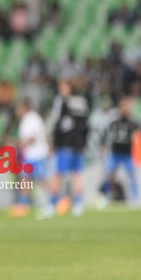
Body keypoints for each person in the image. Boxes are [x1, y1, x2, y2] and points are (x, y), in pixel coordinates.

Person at [45, 79, 91, 217]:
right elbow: (86, 125)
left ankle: (52, 204)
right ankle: (77, 204)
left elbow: (55, 122)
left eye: (63, 86)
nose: (61, 89)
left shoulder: (61, 101)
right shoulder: (82, 101)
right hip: (77, 144)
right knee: (76, 174)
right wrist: (83, 143)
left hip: (66, 144)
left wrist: (52, 141)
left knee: (59, 174)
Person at [99, 96, 141, 207]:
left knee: (131, 175)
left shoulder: (133, 121)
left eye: (128, 106)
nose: (126, 109)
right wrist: (103, 144)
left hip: (127, 154)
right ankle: (107, 195)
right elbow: (104, 131)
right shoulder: (115, 120)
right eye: (124, 106)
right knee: (108, 174)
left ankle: (134, 198)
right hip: (115, 153)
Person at [12, 98, 50, 218]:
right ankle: (23, 204)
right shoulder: (27, 119)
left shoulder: (32, 119)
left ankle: (56, 198)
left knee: (41, 179)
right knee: (25, 179)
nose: (17, 111)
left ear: (24, 107)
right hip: (29, 155)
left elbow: (33, 136)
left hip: (37, 154)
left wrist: (23, 143)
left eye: (18, 108)